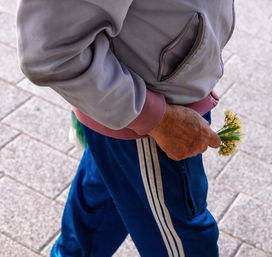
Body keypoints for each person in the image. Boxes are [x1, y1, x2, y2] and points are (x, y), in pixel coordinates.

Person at [16, 0, 235, 256]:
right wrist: (158, 118)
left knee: (98, 215)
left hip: (144, 107)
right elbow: (47, 49)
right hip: (150, 121)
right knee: (187, 246)